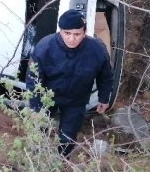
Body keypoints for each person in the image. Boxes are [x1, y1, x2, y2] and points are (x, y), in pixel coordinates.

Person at [25, 9, 114, 157]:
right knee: (39, 131)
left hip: (76, 100)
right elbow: (33, 80)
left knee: (68, 138)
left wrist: (104, 98)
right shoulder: (44, 47)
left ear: (84, 33)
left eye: (77, 34)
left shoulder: (97, 50)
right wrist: (36, 108)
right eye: (67, 33)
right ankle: (37, 159)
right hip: (48, 96)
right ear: (60, 31)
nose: (72, 39)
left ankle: (61, 162)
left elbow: (105, 76)